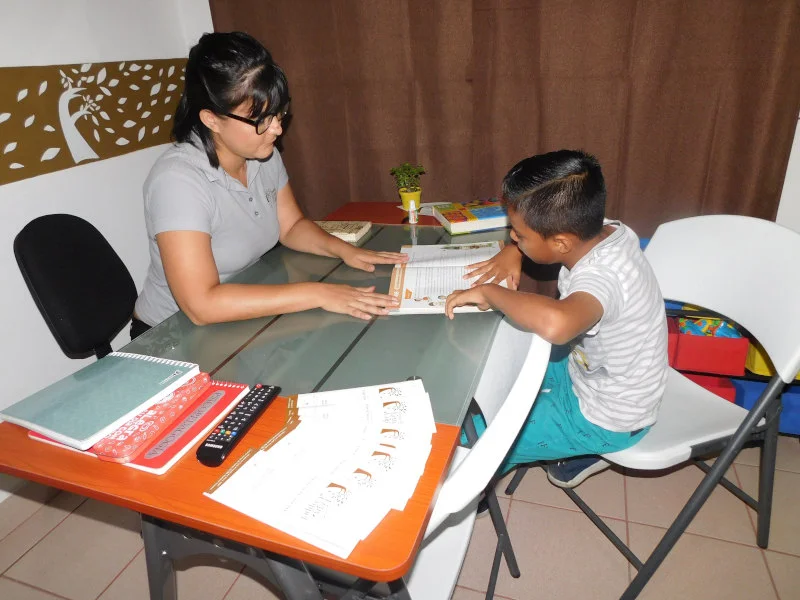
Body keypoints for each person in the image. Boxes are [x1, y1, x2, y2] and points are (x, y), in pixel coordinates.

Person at [132, 32, 405, 338]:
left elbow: (290, 226)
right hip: (170, 336)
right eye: (261, 119)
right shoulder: (177, 181)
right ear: (211, 119)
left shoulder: (262, 153)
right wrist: (317, 293)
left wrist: (345, 251)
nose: (276, 127)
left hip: (239, 315)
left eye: (278, 112)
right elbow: (201, 305)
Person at [445, 150, 668, 489]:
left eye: (518, 235)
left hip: (609, 416)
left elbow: (558, 326)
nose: (513, 239)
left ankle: (577, 449)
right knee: (495, 366)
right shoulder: (604, 231)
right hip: (590, 371)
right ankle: (570, 451)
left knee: (484, 443)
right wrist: (515, 251)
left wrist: (492, 294)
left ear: (562, 241)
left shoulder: (603, 277)